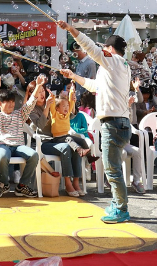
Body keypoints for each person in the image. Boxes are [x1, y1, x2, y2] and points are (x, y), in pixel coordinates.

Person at [57, 19, 133, 224]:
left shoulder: (114, 61)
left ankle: (121, 209)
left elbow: (91, 49)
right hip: (120, 122)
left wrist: (71, 30)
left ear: (109, 49)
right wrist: (74, 76)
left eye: (104, 49)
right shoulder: (120, 66)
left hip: (113, 123)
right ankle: (119, 205)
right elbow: (95, 86)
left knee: (112, 169)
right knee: (113, 168)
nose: (101, 52)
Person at [0, 74, 45, 199]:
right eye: (7, 102)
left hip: (18, 146)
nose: (11, 105)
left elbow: (30, 103)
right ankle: (3, 184)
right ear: (0, 103)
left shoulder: (19, 114)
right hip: (2, 145)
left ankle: (22, 186)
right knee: (2, 156)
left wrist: (38, 86)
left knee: (33, 155)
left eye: (13, 102)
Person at [48, 85, 97, 163]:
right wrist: (52, 97)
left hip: (66, 136)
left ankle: (89, 157)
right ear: (57, 108)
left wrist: (71, 92)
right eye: (63, 106)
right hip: (58, 138)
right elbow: (52, 107)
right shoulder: (54, 115)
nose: (66, 108)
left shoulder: (67, 114)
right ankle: (80, 150)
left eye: (67, 106)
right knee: (70, 139)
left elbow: (71, 102)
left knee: (82, 141)